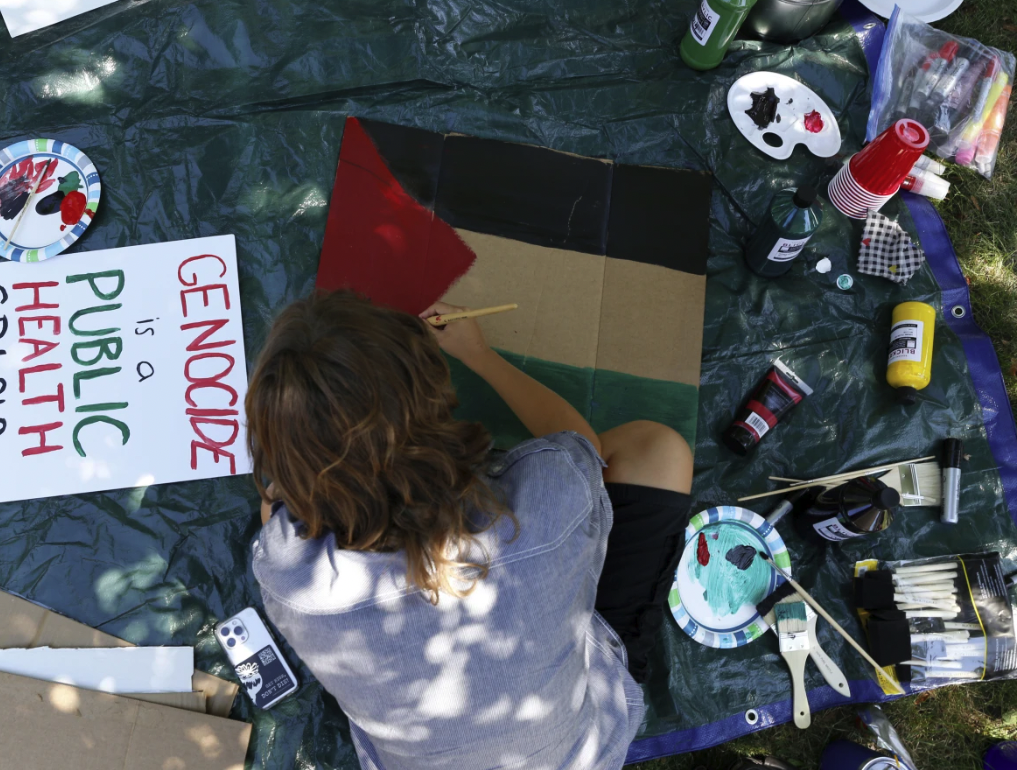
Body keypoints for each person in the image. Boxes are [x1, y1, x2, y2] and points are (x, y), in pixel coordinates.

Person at [247, 291, 693, 770]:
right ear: (431, 397)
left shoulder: (287, 574)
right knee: (659, 450)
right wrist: (480, 356)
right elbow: (581, 443)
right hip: (580, 752)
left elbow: (274, 512)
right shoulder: (545, 506)